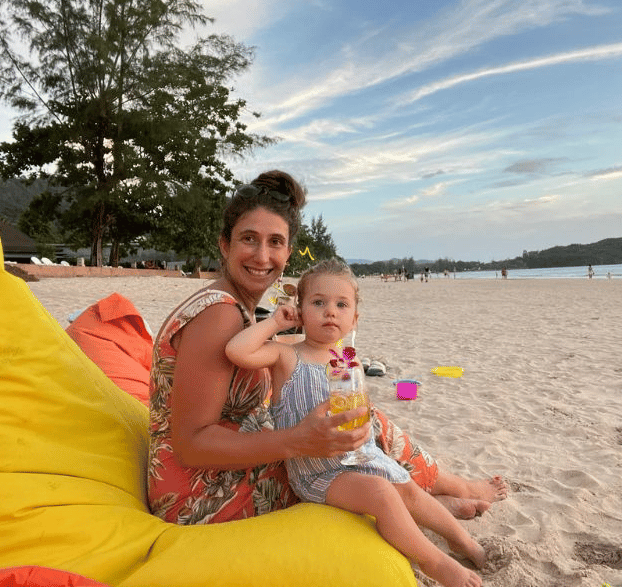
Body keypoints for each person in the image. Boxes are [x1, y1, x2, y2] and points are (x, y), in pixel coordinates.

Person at [147, 169, 506, 527]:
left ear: (288, 252)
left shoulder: (234, 307)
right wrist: (297, 441)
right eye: (248, 239)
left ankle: (435, 496)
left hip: (223, 462)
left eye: (275, 242)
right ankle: (444, 494)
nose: (261, 255)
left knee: (353, 415)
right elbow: (191, 445)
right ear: (225, 244)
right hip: (200, 492)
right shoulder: (219, 315)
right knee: (352, 436)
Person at [227, 259, 484, 587]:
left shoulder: (347, 360)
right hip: (318, 472)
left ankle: (463, 541)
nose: (330, 312)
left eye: (341, 304)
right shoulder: (286, 355)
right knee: (382, 493)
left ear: (354, 319)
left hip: (360, 458)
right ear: (300, 312)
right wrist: (276, 321)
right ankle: (436, 563)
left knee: (408, 488)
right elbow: (237, 350)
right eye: (318, 303)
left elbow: (359, 411)